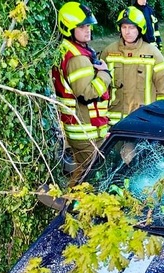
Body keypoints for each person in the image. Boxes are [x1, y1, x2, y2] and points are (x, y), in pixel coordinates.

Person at [53, 2, 111, 185]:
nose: (88, 30)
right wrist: (105, 74)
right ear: (68, 28)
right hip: (86, 130)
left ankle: (67, 206)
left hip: (80, 128)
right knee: (95, 178)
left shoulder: (69, 49)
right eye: (82, 27)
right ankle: (70, 208)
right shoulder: (77, 58)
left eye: (88, 25)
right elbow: (86, 94)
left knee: (82, 174)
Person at [100, 7, 164, 126]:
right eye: (124, 27)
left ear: (140, 29)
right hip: (114, 122)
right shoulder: (108, 52)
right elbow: (101, 89)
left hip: (144, 121)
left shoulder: (153, 54)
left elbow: (163, 91)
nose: (127, 32)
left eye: (132, 27)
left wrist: (160, 118)